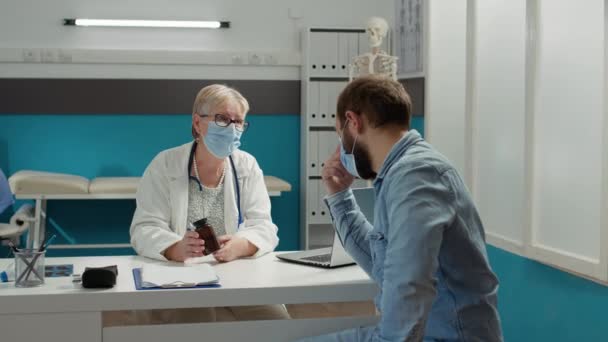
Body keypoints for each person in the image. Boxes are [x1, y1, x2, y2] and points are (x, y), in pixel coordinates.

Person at [305, 75, 503, 341]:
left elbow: (409, 284)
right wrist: (340, 196)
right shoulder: (399, 174)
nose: (341, 151)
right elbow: (383, 265)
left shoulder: (416, 174)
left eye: (341, 136)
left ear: (353, 121)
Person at [115, 84, 288, 325]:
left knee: (276, 321)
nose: (232, 128)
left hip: (236, 272)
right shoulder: (165, 164)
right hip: (180, 276)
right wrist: (175, 247)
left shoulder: (246, 166)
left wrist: (241, 245)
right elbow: (144, 227)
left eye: (238, 122)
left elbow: (264, 226)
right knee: (198, 322)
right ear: (198, 123)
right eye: (222, 119)